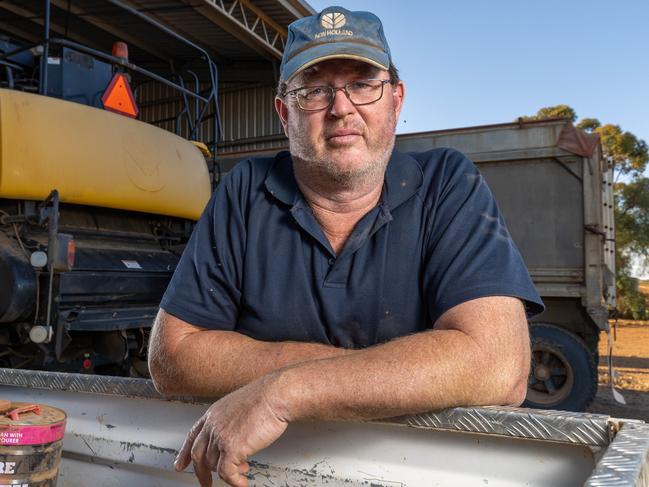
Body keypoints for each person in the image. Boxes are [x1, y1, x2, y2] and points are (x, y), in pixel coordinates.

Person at [148, 5, 544, 487]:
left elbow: (499, 366)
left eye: (362, 83)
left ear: (396, 100)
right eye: (314, 89)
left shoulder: (447, 183)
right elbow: (172, 358)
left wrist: (283, 391)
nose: (341, 108)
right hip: (264, 471)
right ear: (283, 111)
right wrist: (414, 370)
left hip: (414, 471)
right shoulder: (244, 190)